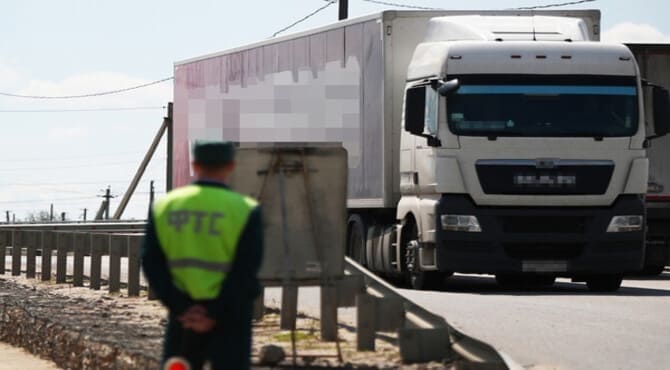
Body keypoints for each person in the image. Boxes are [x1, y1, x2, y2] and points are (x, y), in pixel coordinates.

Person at [141, 140, 264, 370]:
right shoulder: (245, 209)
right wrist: (213, 313)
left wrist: (183, 308)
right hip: (231, 317)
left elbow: (151, 263)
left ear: (195, 165)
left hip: (183, 317)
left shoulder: (164, 206)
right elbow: (246, 271)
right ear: (230, 166)